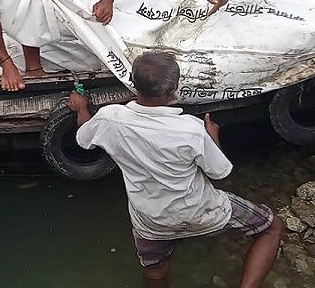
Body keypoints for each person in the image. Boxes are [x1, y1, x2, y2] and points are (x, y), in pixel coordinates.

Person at [69, 51, 283, 288]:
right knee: (272, 227)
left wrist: (81, 109)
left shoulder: (110, 118)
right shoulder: (191, 129)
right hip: (201, 212)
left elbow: (84, 138)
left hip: (152, 221)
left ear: (133, 82)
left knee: (155, 272)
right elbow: (220, 174)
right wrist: (213, 138)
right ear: (173, 90)